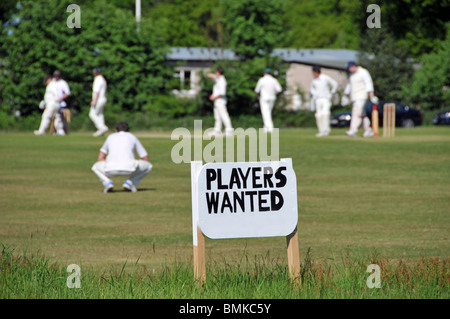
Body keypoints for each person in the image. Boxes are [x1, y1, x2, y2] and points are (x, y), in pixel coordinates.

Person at [91, 122, 152, 193]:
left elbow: (100, 158)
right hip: (130, 169)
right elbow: (145, 158)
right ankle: (130, 183)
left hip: (110, 169)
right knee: (149, 166)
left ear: (116, 131)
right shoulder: (132, 136)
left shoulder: (110, 136)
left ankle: (107, 183)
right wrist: (136, 161)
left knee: (95, 167)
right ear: (128, 131)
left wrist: (106, 162)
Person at [344, 61, 376, 137]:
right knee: (362, 114)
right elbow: (349, 85)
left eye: (350, 68)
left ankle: (353, 130)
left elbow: (368, 83)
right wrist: (345, 95)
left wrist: (371, 95)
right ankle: (368, 130)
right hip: (354, 97)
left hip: (362, 96)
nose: (349, 70)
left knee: (356, 112)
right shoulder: (352, 75)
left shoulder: (363, 72)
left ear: (354, 66)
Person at [310, 65, 338, 137]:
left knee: (325, 114)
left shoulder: (325, 78)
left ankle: (326, 130)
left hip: (326, 99)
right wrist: (314, 94)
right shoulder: (314, 80)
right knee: (319, 115)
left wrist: (332, 92)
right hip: (318, 99)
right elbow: (312, 89)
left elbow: (335, 84)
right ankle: (321, 131)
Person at [207, 66, 233, 137]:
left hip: (220, 100)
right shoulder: (218, 79)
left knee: (224, 115)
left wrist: (214, 97)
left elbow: (222, 93)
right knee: (217, 117)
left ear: (218, 72)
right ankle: (217, 131)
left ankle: (229, 130)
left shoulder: (222, 81)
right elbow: (214, 77)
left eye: (216, 72)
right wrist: (210, 75)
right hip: (216, 101)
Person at [254, 68, 282, 133]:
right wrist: (274, 93)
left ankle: (270, 128)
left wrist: (257, 96)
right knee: (268, 112)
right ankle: (266, 128)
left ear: (264, 73)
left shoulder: (262, 80)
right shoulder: (274, 80)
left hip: (264, 97)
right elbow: (279, 89)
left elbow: (257, 90)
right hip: (272, 97)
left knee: (265, 113)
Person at [89, 68, 109, 137]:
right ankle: (101, 131)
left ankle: (102, 128)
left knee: (92, 114)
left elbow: (96, 91)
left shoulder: (97, 79)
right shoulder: (103, 79)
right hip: (103, 99)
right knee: (100, 115)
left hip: (98, 100)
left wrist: (94, 100)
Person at [53, 70, 71, 135]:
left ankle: (63, 130)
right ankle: (55, 131)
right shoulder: (52, 82)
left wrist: (61, 98)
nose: (56, 77)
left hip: (61, 103)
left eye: (57, 75)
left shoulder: (62, 83)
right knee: (54, 117)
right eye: (55, 75)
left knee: (61, 117)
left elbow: (67, 93)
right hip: (53, 103)